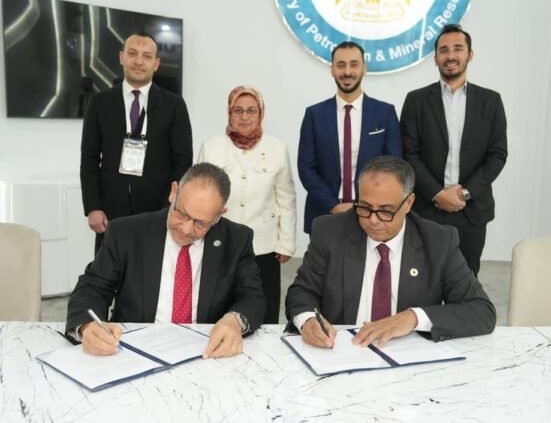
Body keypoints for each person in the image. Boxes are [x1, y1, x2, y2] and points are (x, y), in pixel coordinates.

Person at [285, 156, 496, 349]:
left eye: (385, 210)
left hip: (407, 356)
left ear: (409, 203)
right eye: (365, 207)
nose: (373, 220)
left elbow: (481, 310)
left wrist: (413, 317)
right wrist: (307, 320)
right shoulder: (330, 231)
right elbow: (302, 292)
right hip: (344, 350)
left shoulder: (438, 241)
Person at [67, 163, 265, 358]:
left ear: (219, 215)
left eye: (200, 223)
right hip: (133, 348)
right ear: (174, 192)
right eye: (182, 214)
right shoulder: (126, 232)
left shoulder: (237, 239)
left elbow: (252, 296)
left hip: (205, 349)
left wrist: (234, 321)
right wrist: (87, 326)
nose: (186, 229)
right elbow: (93, 287)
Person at [400, 24, 507, 276]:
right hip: (426, 210)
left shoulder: (491, 101)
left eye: (458, 49)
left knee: (466, 282)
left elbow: (497, 155)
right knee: (421, 281)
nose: (450, 56)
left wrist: (465, 193)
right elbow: (409, 153)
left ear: (470, 55)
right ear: (435, 58)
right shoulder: (416, 100)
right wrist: (437, 193)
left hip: (471, 211)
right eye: (443, 50)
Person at [80, 32, 193, 253]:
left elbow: (183, 161)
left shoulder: (174, 105)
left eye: (146, 56)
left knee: (152, 271)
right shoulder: (100, 103)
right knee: (109, 271)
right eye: (132, 54)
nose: (139, 61)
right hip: (110, 213)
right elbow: (89, 159)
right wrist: (93, 207)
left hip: (158, 211)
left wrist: (169, 207)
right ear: (122, 57)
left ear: (156, 64)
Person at [198, 86, 296, 323]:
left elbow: (286, 198)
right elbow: (199, 196)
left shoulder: (277, 148)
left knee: (265, 312)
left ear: (261, 113)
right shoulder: (211, 146)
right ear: (229, 113)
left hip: (263, 246)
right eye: (238, 110)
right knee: (216, 310)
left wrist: (286, 243)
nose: (244, 117)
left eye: (251, 111)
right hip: (220, 242)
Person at [298, 41, 402, 234]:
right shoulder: (314, 115)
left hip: (373, 216)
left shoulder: (385, 113)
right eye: (341, 65)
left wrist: (365, 206)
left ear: (364, 68)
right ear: (332, 70)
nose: (347, 72)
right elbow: (306, 168)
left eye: (354, 64)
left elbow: (393, 166)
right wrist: (333, 205)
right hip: (325, 215)